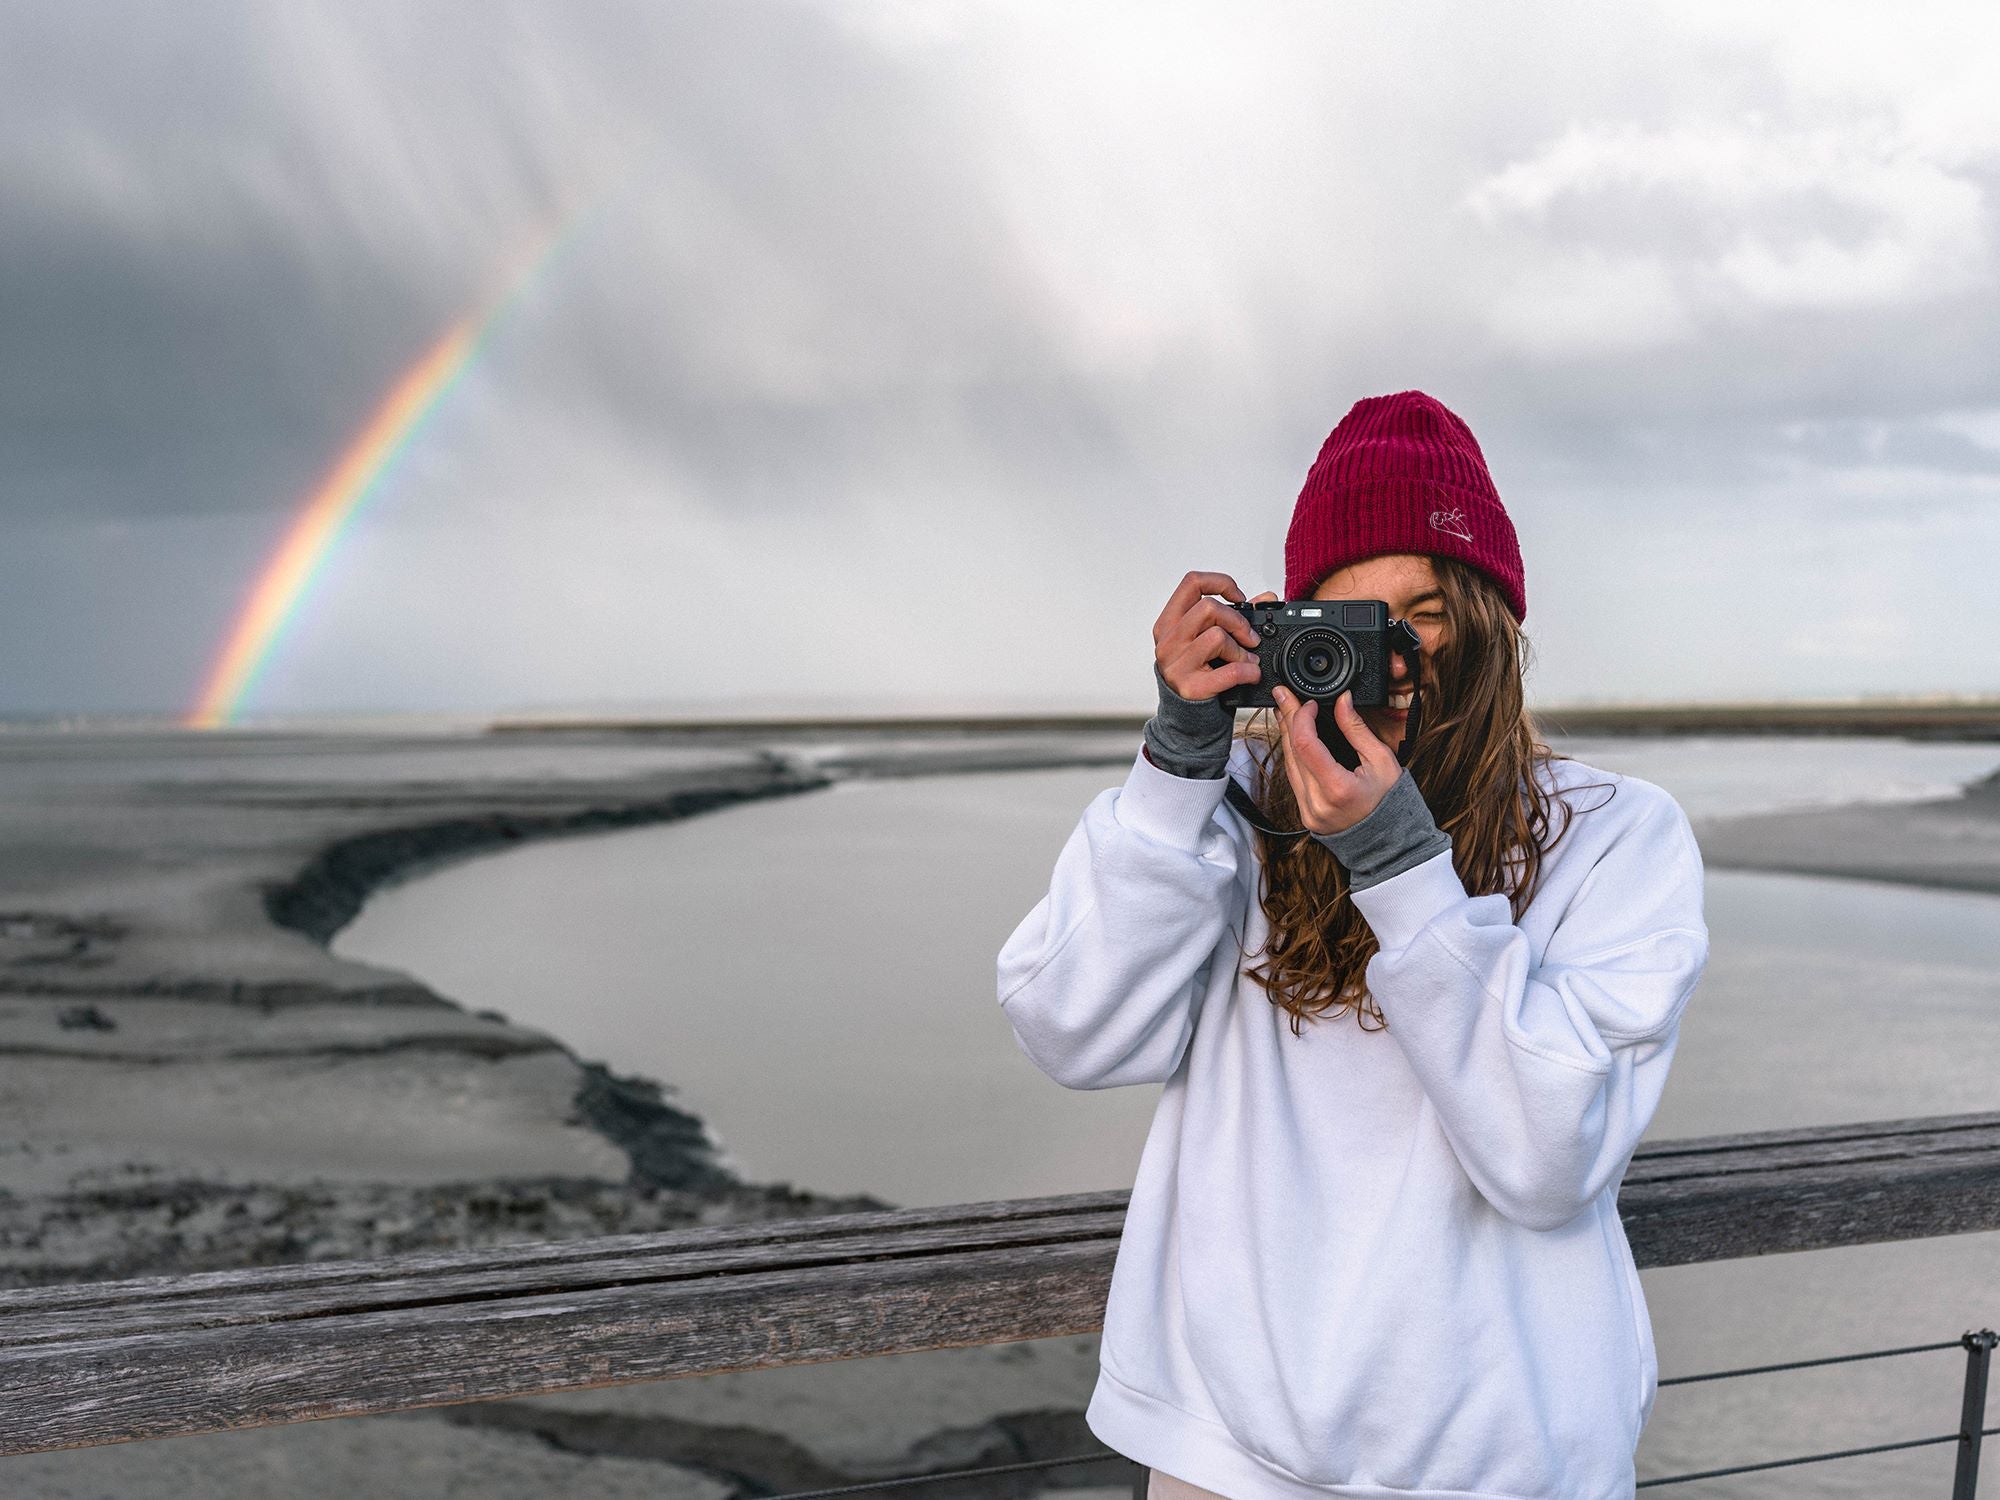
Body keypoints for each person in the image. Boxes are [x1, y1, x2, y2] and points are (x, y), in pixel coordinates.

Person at [995, 390, 1709, 1500]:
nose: (1385, 658)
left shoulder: (1617, 834)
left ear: (1494, 624)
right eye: (1342, 623)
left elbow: (1547, 1160)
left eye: (1421, 614)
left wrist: (1398, 863)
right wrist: (1175, 765)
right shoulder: (1225, 804)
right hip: (1224, 1446)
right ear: (1285, 637)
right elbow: (1072, 1030)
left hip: (1501, 1458)